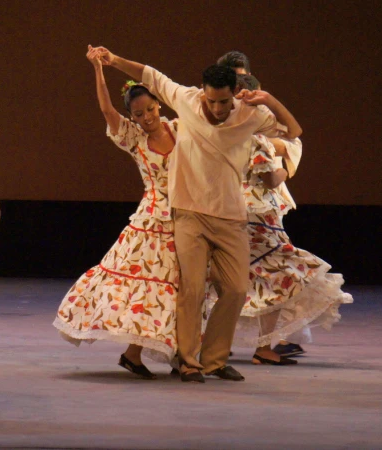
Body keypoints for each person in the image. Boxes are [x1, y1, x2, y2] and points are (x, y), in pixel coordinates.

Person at [91, 45, 301, 383]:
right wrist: (112, 61)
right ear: (202, 93)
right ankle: (189, 361)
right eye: (211, 100)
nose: (217, 108)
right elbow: (148, 75)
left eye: (223, 102)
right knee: (190, 289)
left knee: (234, 289)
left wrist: (269, 101)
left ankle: (215, 359)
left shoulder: (250, 115)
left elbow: (293, 132)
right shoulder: (186, 100)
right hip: (188, 213)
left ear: (235, 95)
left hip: (231, 216)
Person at [206, 74, 352, 365]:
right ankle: (262, 348)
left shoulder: (220, 135)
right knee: (276, 277)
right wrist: (285, 169)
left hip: (225, 211)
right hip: (257, 216)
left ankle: (207, 344)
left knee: (220, 278)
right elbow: (271, 179)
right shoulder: (255, 140)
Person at [53, 46, 179, 379]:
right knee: (151, 284)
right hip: (151, 221)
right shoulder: (135, 139)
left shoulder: (179, 129)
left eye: (151, 109)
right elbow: (107, 109)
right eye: (139, 114)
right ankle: (144, 353)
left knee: (176, 286)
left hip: (187, 216)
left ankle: (154, 352)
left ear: (159, 105)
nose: (147, 117)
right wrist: (98, 70)